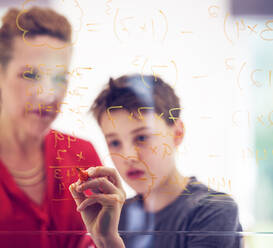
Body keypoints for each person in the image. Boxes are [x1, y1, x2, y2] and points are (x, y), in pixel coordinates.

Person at [69, 74, 243, 248]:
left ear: (177, 133)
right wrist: (101, 239)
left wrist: (109, 242)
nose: (129, 156)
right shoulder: (114, 216)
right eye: (114, 142)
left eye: (142, 137)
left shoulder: (213, 210)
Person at [0, 7, 101, 248]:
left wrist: (109, 240)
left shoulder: (83, 155)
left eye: (59, 78)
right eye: (31, 75)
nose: (48, 96)